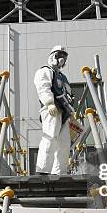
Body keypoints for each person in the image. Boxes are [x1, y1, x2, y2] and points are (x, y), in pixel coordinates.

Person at [34, 45, 75, 175]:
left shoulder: (63, 77)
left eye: (64, 56)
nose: (62, 59)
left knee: (64, 143)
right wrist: (49, 102)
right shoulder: (45, 71)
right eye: (59, 56)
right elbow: (43, 86)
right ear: (53, 56)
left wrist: (71, 112)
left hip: (64, 112)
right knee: (50, 136)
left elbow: (69, 94)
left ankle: (59, 171)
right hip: (52, 109)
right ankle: (43, 169)